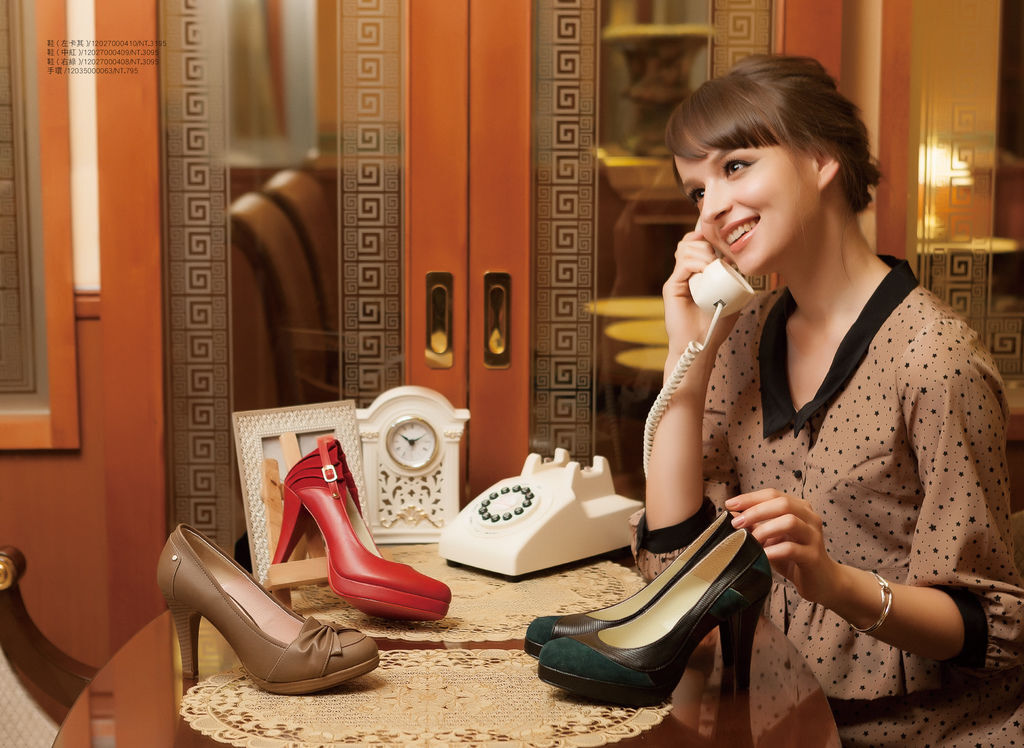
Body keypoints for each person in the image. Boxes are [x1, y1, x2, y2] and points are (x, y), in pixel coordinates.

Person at [636, 54, 1024, 746]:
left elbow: (987, 624)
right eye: (696, 191)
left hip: (920, 733)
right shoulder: (740, 335)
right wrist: (686, 358)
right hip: (768, 715)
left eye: (735, 167)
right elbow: (674, 565)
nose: (711, 211)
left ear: (821, 159)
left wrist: (834, 582)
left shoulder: (937, 362)